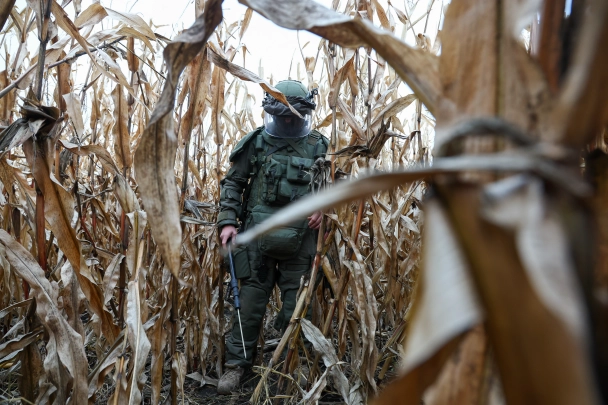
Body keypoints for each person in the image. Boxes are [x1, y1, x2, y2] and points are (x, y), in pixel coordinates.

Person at [216, 80, 328, 395]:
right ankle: (238, 366)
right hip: (255, 239)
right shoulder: (256, 142)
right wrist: (227, 222)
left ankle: (293, 363)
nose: (289, 122)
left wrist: (324, 208)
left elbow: (336, 187)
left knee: (297, 307)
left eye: (295, 117)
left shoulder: (320, 145)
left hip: (302, 239)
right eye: (284, 117)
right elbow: (234, 183)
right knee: (248, 304)